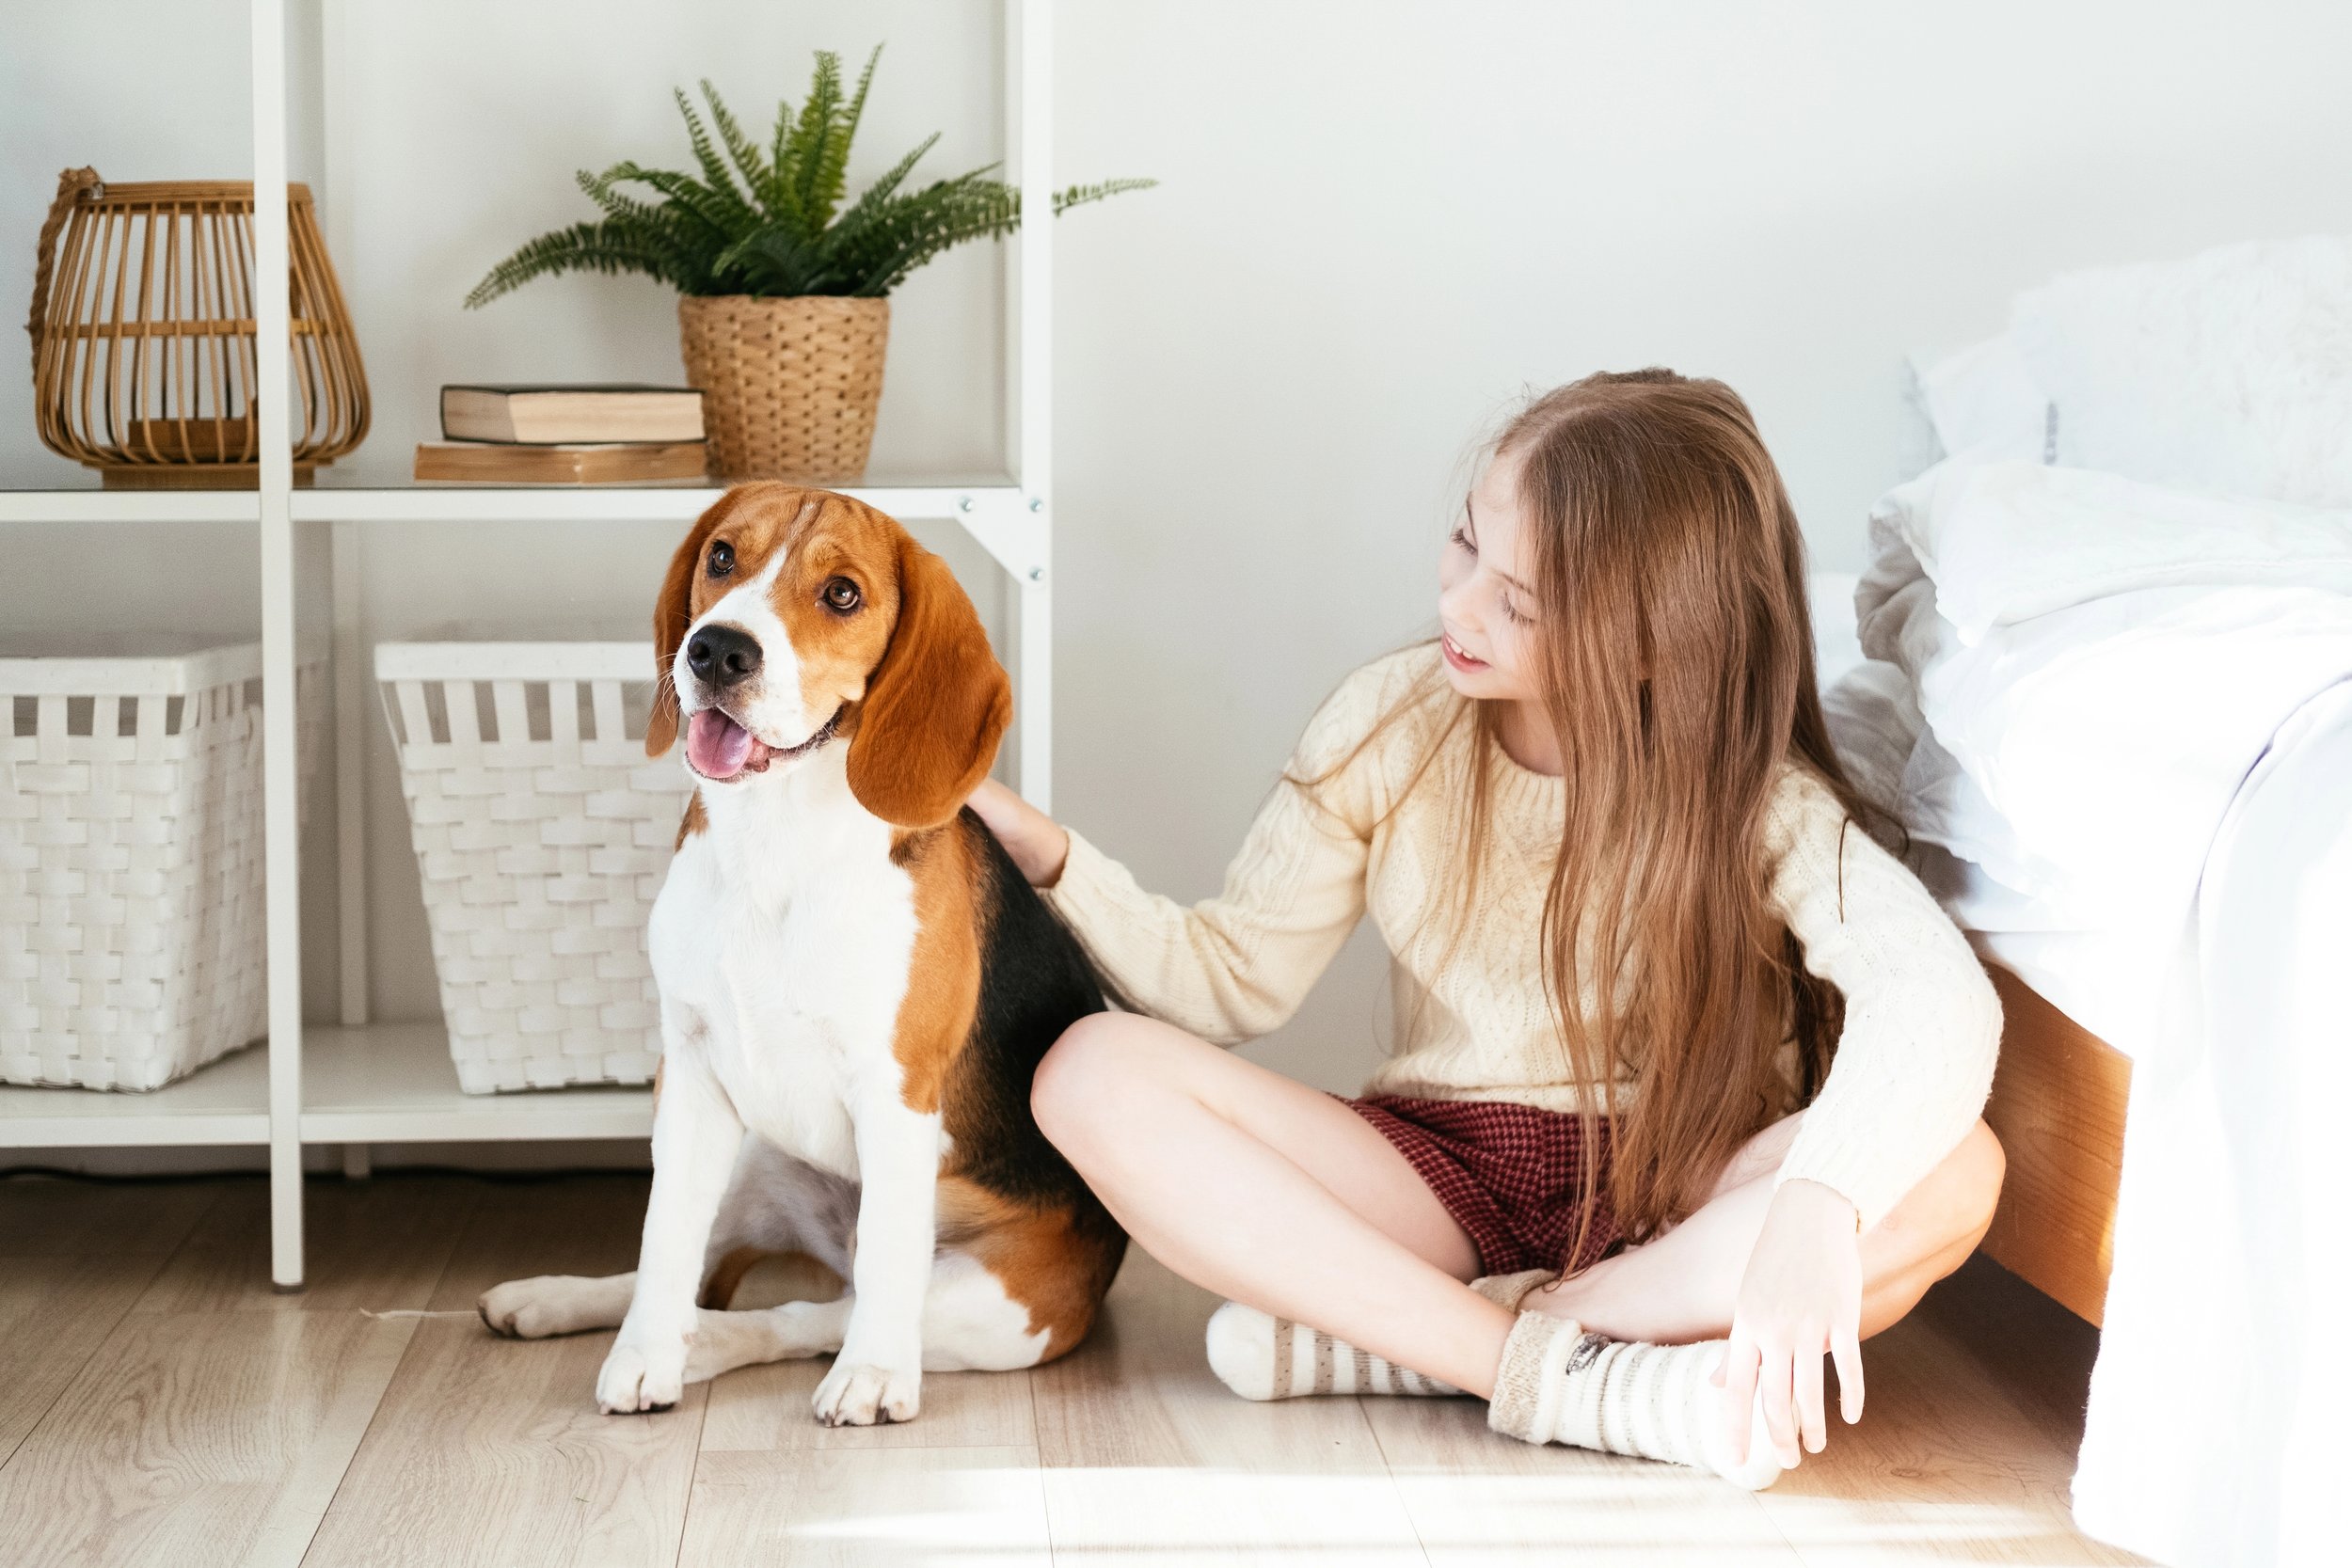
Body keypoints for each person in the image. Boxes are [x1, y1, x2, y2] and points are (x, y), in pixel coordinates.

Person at [968, 369, 2005, 1489]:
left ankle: (1450, 1336)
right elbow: (1232, 980)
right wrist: (1052, 858)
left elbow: (1934, 992)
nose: (1459, 606)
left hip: (1678, 1187)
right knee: (1089, 1075)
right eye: (1465, 545)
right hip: (1439, 1170)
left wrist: (1816, 1202)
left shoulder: (1751, 797)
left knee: (1958, 1170)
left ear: (1653, 639)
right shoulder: (1391, 723)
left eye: (1518, 600)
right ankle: (1539, 1367)